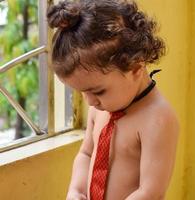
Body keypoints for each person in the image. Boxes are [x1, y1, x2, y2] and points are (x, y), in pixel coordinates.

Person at [47, 0, 179, 199]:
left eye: (98, 92)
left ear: (135, 67)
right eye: (82, 92)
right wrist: (75, 190)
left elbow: (151, 191)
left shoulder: (158, 119)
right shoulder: (99, 109)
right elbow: (86, 154)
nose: (90, 102)